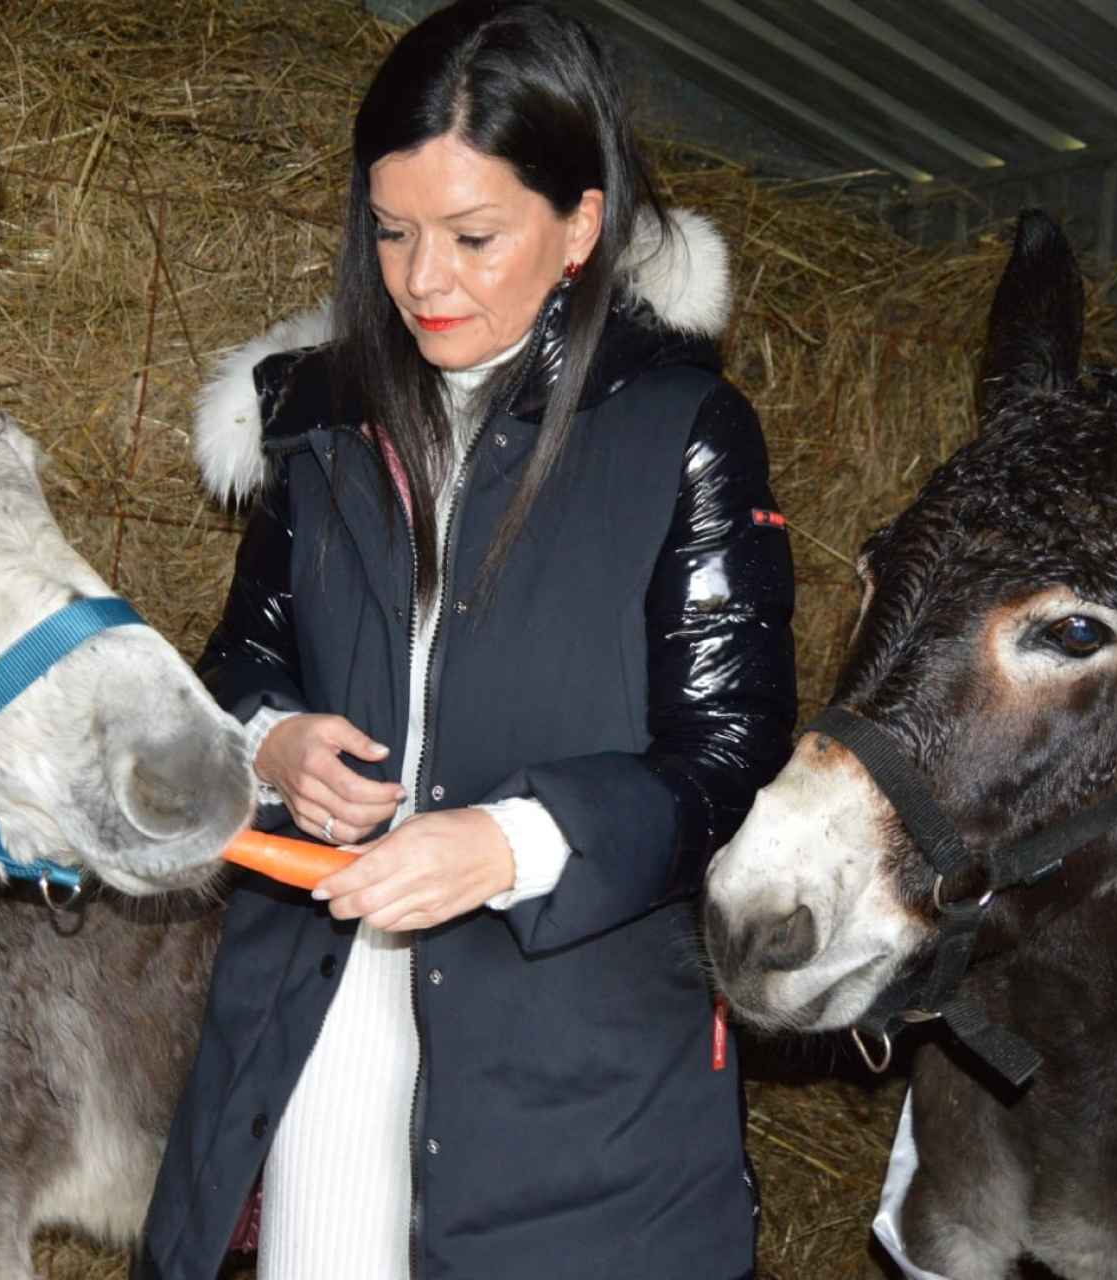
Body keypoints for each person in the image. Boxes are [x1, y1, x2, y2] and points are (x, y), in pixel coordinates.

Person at [135, 2, 796, 1277]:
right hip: (325, 993)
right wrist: (273, 740)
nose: (422, 278)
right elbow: (245, 649)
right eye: (389, 232)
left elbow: (729, 748)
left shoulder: (683, 428)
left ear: (581, 226)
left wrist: (514, 838)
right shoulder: (321, 423)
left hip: (571, 1042)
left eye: (473, 235)